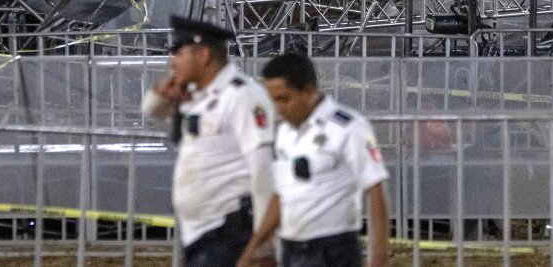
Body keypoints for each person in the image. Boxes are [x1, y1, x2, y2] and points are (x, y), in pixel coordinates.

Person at [141, 16, 275, 267]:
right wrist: (160, 95)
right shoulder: (197, 97)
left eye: (178, 53)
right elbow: (153, 112)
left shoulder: (242, 96)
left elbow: (263, 170)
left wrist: (263, 246)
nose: (172, 62)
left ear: (202, 55)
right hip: (200, 234)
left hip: (229, 234)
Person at [237, 53, 391, 267]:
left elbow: (376, 189)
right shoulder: (284, 134)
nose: (278, 108)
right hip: (291, 248)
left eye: (284, 99)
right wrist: (254, 248)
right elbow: (281, 195)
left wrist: (379, 257)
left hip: (333, 251)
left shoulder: (348, 127)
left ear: (308, 90)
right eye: (272, 101)